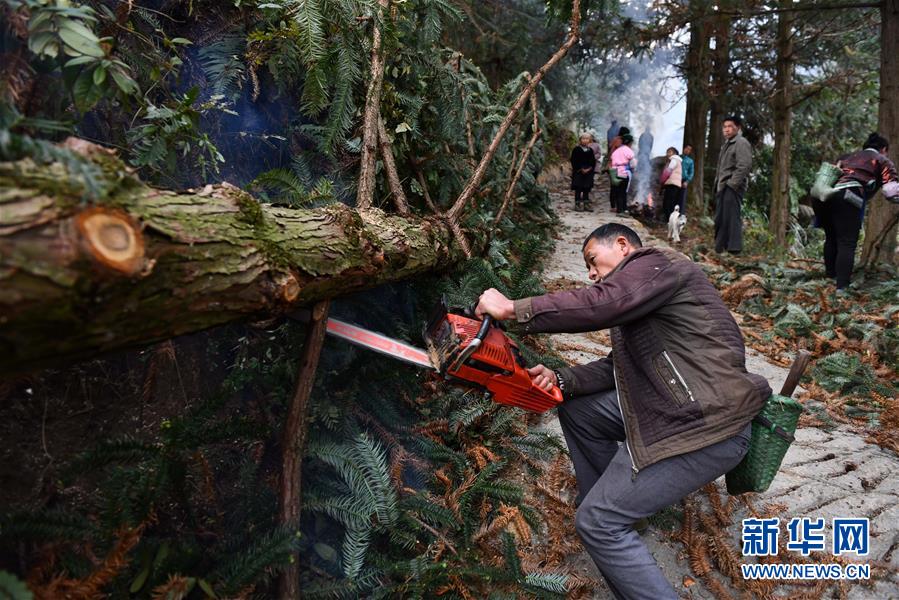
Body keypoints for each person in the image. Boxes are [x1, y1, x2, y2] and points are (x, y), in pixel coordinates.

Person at [475, 223, 771, 600]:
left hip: (707, 424)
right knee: (579, 411)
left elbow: (602, 303)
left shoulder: (658, 263)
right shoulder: (644, 297)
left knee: (597, 522)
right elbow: (617, 365)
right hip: (678, 407)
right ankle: (626, 510)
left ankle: (609, 521)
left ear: (622, 245)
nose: (591, 273)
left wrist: (514, 309)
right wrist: (561, 378)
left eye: (593, 260)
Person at [812, 132, 899, 292]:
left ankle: (830, 278)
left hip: (821, 196)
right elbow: (891, 191)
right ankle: (842, 288)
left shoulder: (847, 157)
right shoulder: (882, 160)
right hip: (847, 195)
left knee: (831, 238)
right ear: (884, 149)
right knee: (847, 242)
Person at [713, 116, 752, 254]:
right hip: (723, 186)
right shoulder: (727, 144)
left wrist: (732, 184)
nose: (726, 129)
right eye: (724, 127)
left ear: (738, 128)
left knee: (732, 217)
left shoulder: (741, 142)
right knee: (721, 217)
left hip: (733, 187)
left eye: (730, 126)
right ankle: (720, 246)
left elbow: (744, 165)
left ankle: (734, 248)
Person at [570, 132, 597, 211]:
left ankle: (586, 204)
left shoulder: (590, 150)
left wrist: (589, 169)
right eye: (583, 139)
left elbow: (593, 162)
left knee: (586, 188)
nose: (585, 140)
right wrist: (581, 169)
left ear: (590, 140)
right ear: (580, 140)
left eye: (587, 139)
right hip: (578, 172)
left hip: (588, 172)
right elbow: (573, 160)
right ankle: (577, 204)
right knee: (578, 188)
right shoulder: (576, 149)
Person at [610, 134, 635, 214]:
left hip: (615, 172)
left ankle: (620, 208)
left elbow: (612, 159)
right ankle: (622, 210)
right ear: (630, 142)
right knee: (622, 191)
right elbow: (633, 164)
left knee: (617, 191)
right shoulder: (628, 150)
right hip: (624, 172)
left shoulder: (617, 150)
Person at [660, 147, 683, 222]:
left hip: (672, 183)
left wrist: (662, 180)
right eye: (667, 152)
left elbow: (668, 171)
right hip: (675, 184)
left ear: (674, 153)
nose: (668, 154)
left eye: (669, 152)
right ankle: (670, 219)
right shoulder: (678, 161)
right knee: (671, 202)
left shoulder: (674, 159)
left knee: (668, 202)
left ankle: (668, 219)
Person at [680, 144, 694, 213]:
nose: (687, 150)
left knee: (682, 199)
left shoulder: (690, 161)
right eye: (687, 148)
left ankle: (681, 215)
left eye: (689, 150)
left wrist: (687, 181)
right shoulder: (677, 157)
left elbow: (691, 172)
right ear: (683, 148)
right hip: (675, 179)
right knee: (673, 197)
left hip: (684, 180)